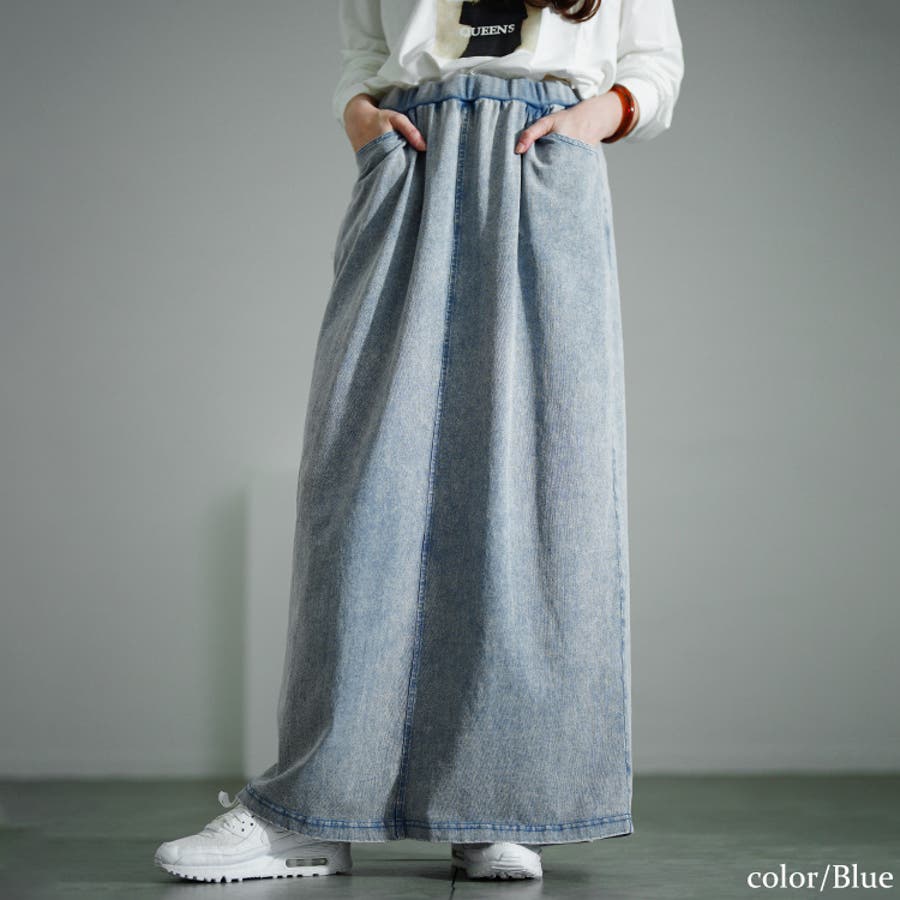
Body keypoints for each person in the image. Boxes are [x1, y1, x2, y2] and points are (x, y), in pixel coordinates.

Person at [155, 0, 684, 883]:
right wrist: (361, 119)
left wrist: (586, 122)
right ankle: (308, 811)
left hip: (539, 162)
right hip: (413, 160)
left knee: (528, 490)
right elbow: (363, 53)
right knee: (362, 484)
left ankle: (494, 802)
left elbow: (654, 67)